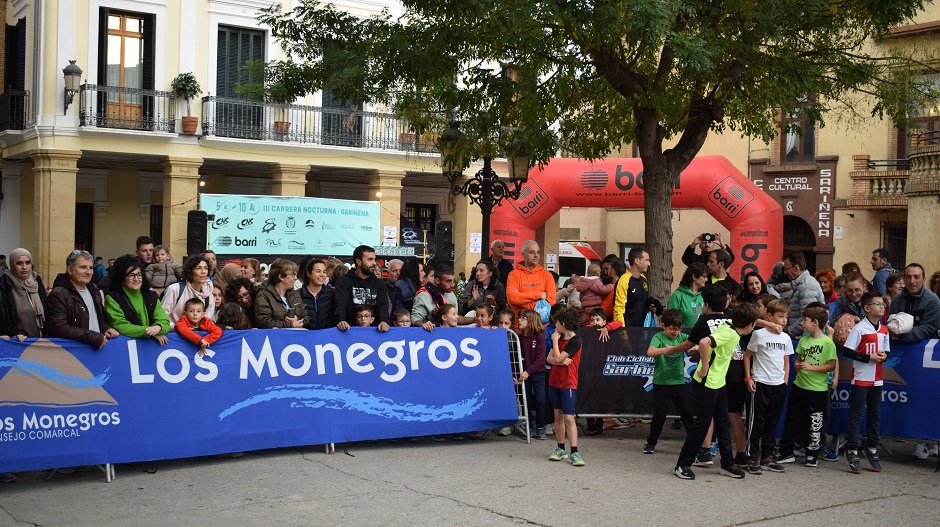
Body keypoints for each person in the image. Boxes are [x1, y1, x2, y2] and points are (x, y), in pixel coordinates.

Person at [673, 302, 758, 480]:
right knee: (702, 424)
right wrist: (704, 366)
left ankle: (727, 464)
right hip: (708, 382)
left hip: (718, 383)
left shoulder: (729, 326)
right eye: (755, 324)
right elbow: (705, 342)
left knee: (722, 422)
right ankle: (682, 465)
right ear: (750, 325)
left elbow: (709, 343)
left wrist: (700, 350)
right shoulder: (730, 333)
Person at [776, 306, 837, 468]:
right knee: (792, 420)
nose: (802, 323)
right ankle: (786, 452)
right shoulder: (803, 339)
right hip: (799, 387)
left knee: (815, 424)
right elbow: (799, 358)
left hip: (817, 391)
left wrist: (812, 368)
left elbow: (831, 365)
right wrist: (797, 364)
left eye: (805, 320)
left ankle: (812, 455)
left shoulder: (827, 343)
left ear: (815, 323)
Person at [839, 291, 889, 474]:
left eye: (882, 303)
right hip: (861, 377)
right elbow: (848, 351)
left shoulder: (884, 329)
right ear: (867, 308)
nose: (882, 306)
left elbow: (886, 351)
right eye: (877, 304)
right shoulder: (860, 329)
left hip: (877, 379)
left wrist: (884, 356)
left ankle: (872, 447)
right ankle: (852, 449)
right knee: (857, 415)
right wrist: (869, 357)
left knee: (875, 414)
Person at [743, 299, 794, 474]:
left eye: (786, 317)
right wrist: (748, 378)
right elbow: (747, 356)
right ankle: (752, 456)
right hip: (760, 383)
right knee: (756, 422)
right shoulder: (759, 334)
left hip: (778, 385)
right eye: (780, 316)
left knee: (772, 422)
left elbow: (786, 362)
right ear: (770, 316)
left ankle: (768, 457)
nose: (784, 320)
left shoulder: (786, 338)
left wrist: (785, 381)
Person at [643, 308, 694, 455]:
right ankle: (651, 443)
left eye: (678, 329)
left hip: (678, 383)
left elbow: (694, 344)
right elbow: (650, 352)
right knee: (659, 416)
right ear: (663, 325)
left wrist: (694, 348)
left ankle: (695, 444)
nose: (675, 332)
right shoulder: (658, 337)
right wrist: (667, 350)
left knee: (687, 414)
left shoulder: (682, 337)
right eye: (672, 329)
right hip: (661, 383)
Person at [46, 250, 119, 348]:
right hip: (72, 353)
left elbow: (98, 317)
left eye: (91, 268)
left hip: (96, 348)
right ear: (70, 270)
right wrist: (91, 336)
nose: (88, 272)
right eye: (83, 267)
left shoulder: (94, 288)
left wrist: (106, 328)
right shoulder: (59, 294)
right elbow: (58, 327)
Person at [103, 255, 171, 345]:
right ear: (121, 278)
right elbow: (121, 326)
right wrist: (149, 332)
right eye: (131, 275)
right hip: (124, 348)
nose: (136, 279)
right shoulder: (112, 298)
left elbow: (165, 322)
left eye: (139, 275)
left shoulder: (151, 296)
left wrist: (158, 328)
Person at [547, 307, 584, 467]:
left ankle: (574, 451)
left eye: (557, 322)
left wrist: (555, 342)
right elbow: (550, 358)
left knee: (569, 417)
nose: (555, 325)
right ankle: (560, 448)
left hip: (568, 383)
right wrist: (560, 361)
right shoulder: (560, 337)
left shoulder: (575, 341)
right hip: (554, 382)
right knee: (558, 416)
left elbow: (558, 355)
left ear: (563, 323)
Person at [334, 245, 389, 331]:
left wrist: (384, 321)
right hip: (348, 332)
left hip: (375, 333)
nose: (374, 263)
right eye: (370, 259)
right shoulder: (344, 281)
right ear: (358, 261)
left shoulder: (379, 283)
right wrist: (341, 320)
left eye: (374, 259)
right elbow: (340, 303)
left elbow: (383, 305)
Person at [771, 251, 825, 338]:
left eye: (786, 268)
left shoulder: (807, 286)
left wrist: (788, 332)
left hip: (803, 336)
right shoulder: (802, 284)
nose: (785, 272)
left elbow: (807, 317)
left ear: (796, 268)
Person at [0, 248, 48, 339]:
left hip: (40, 343)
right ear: (12, 264)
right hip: (18, 344)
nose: (24, 267)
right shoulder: (4, 286)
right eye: (19, 263)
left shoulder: (36, 282)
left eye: (27, 262)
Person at [514, 308, 548, 440]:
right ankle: (529, 425)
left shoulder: (539, 337)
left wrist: (528, 371)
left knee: (540, 400)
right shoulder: (519, 337)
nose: (520, 320)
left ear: (531, 321)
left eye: (523, 318)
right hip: (524, 374)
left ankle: (541, 426)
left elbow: (540, 358)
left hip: (537, 373)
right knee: (525, 399)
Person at [888, 263, 940, 343]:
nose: (912, 281)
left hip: (923, 350)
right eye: (908, 277)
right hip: (898, 347)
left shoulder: (932, 300)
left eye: (916, 277)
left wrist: (901, 334)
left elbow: (929, 328)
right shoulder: (896, 299)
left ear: (924, 280)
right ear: (904, 279)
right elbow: (889, 321)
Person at [413, 264, 474, 330]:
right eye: (448, 281)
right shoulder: (423, 296)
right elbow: (415, 319)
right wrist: (424, 325)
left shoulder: (451, 294)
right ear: (437, 281)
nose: (452, 285)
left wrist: (475, 320)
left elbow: (455, 318)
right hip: (430, 336)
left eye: (453, 281)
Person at [506, 241, 556, 319]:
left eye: (538, 252)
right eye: (532, 252)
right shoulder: (514, 274)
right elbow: (512, 298)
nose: (536, 255)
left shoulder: (547, 275)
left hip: (541, 326)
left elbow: (552, 301)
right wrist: (539, 295)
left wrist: (521, 302)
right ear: (523, 254)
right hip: (519, 326)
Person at [161, 254, 216, 324]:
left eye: (206, 268)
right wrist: (178, 328)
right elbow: (163, 316)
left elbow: (207, 322)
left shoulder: (209, 297)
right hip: (173, 333)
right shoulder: (175, 289)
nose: (203, 272)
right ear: (190, 271)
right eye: (198, 268)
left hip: (197, 334)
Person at [255, 258, 308, 329]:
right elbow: (263, 321)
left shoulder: (294, 293)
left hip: (296, 338)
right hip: (275, 338)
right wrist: (290, 325)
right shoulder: (263, 294)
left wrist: (298, 321)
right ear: (281, 277)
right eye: (293, 274)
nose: (295, 278)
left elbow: (306, 317)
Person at [613, 246, 656, 327]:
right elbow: (618, 310)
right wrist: (623, 333)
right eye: (646, 260)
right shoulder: (624, 280)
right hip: (629, 329)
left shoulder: (643, 279)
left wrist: (652, 306)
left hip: (643, 329)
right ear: (637, 261)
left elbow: (642, 301)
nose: (649, 264)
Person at [667, 263, 707, 327]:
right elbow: (670, 321)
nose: (706, 279)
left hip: (702, 336)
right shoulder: (678, 296)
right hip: (683, 336)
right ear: (694, 277)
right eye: (704, 277)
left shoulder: (705, 296)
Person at [300, 259, 336, 330]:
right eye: (318, 271)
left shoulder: (332, 294)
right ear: (308, 274)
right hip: (306, 337)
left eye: (324, 272)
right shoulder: (298, 294)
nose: (322, 275)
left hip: (327, 337)